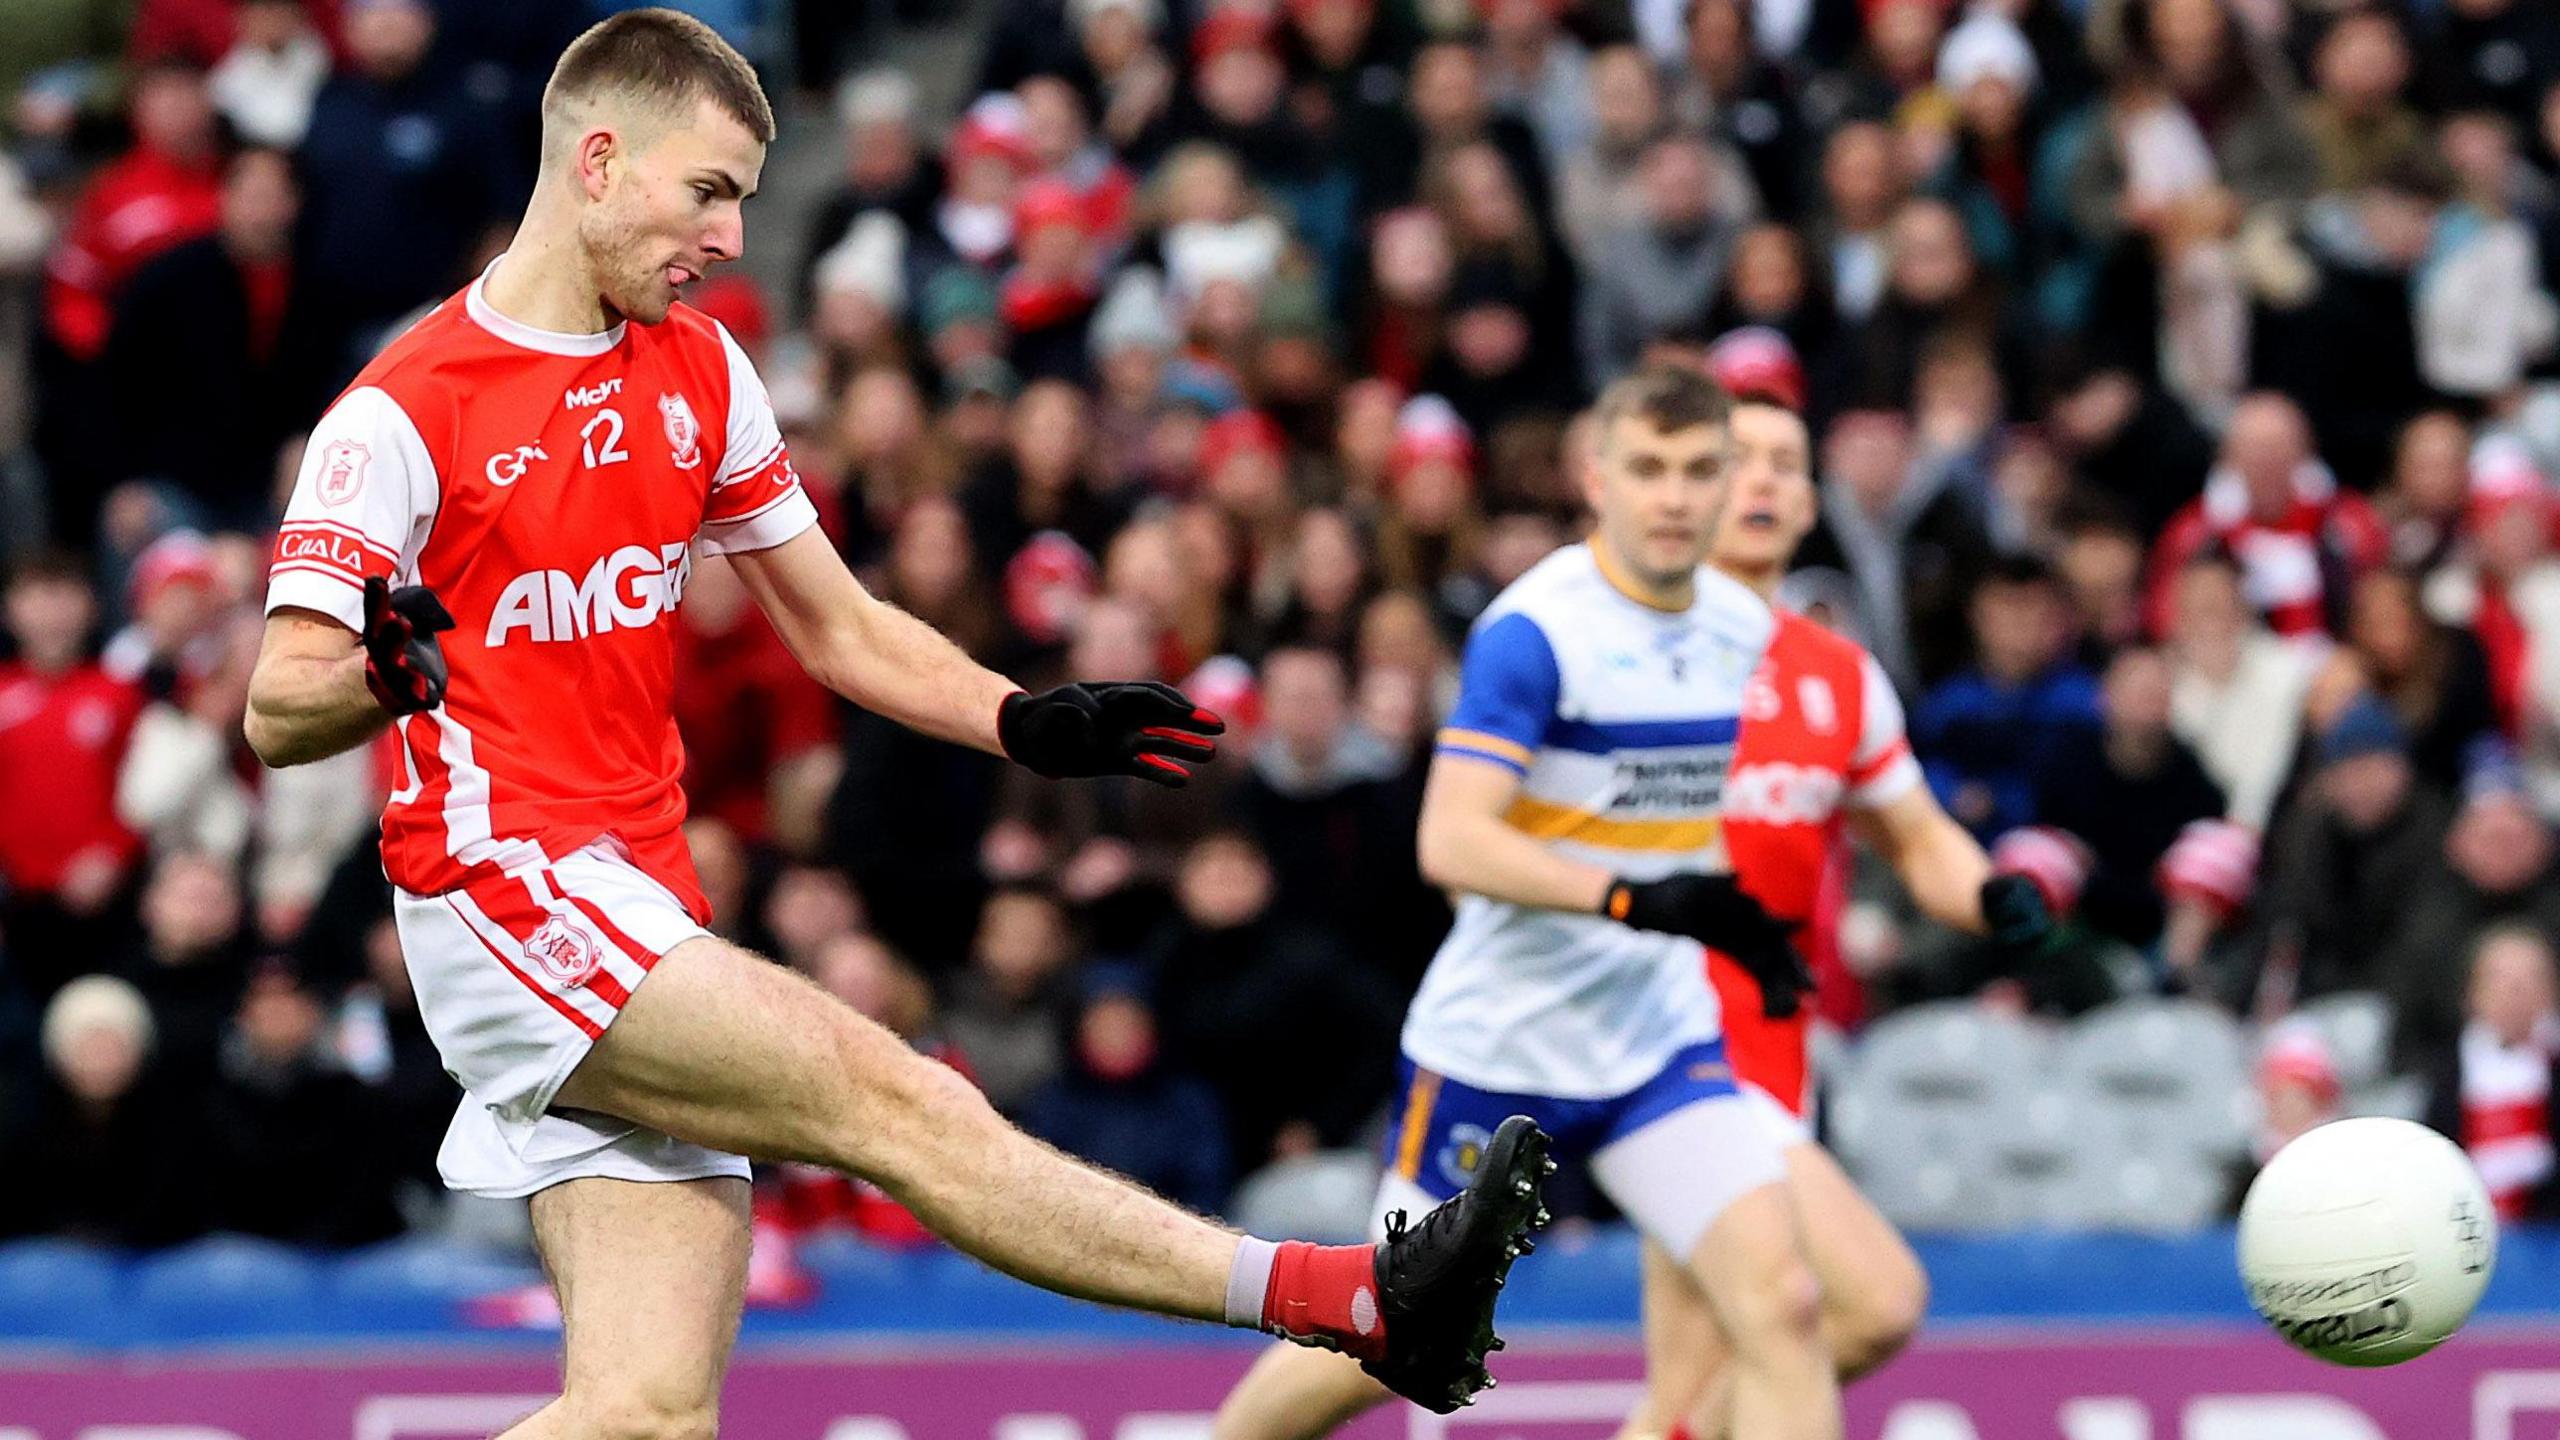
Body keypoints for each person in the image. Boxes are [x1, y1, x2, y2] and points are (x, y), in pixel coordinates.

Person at [240, 14, 1547, 1435]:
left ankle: (1355, 1300)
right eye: (711, 190)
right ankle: (1351, 1296)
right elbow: (276, 704)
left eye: (744, 196)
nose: (733, 235)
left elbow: (842, 626)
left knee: (647, 1417)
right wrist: (377, 669)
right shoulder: (400, 412)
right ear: (600, 160)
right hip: (506, 889)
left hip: (634, 893)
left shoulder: (699, 370)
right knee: (893, 1096)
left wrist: (1022, 719)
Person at [1213, 366, 1842, 1440]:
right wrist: (1636, 900)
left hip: (1654, 1039)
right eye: (1647, 469)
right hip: (1502, 1044)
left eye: (1699, 470)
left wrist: (1723, 915)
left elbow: (1656, 812)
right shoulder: (1536, 633)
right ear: (1593, 477)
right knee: (1394, 1339)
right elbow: (1449, 840)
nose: (1675, 497)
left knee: (1782, 1306)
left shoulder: (1740, 628)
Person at [1616, 368, 2052, 1440]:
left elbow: (1915, 837)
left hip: (1776, 1055)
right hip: (1666, 1048)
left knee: (1696, 1378)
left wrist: (1987, 895)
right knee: (1860, 1300)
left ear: (1814, 503)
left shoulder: (1837, 677)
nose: (1760, 482)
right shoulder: (1624, 648)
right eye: (1735, 462)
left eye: (1783, 466)